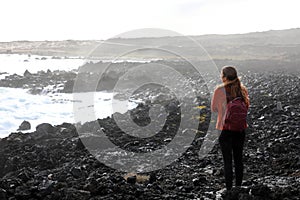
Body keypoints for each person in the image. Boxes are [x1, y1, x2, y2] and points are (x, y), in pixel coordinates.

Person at [211, 66, 250, 190]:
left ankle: (228, 190)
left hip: (224, 130)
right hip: (240, 129)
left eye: (222, 75)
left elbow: (213, 109)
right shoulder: (242, 89)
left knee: (227, 160)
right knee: (238, 159)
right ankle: (238, 187)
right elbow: (246, 107)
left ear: (225, 77)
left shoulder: (219, 90)